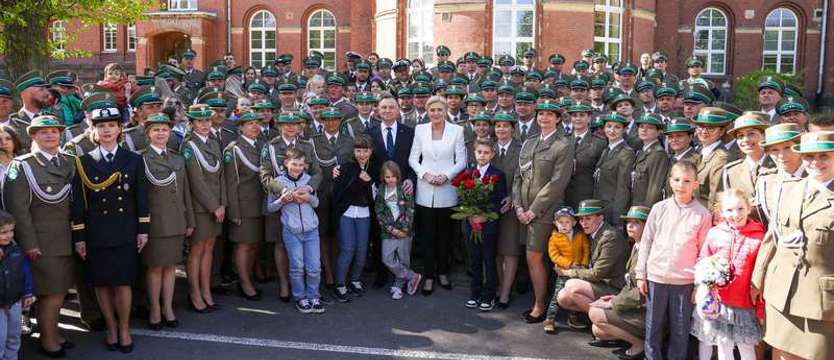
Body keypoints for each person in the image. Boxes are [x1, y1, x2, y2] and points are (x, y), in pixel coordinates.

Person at [71, 106, 149, 354]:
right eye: (101, 126)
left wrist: (142, 230)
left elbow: (141, 198)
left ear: (120, 129)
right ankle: (111, 328)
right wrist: (80, 237)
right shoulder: (83, 162)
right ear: (93, 130)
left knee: (123, 283)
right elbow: (79, 204)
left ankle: (124, 328)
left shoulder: (133, 159)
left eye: (111, 125)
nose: (106, 130)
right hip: (97, 232)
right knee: (102, 283)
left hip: (125, 230)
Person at [751, 131, 834, 360]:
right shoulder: (789, 188)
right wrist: (756, 279)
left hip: (820, 302)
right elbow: (773, 237)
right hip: (781, 292)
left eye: (824, 156)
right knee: (781, 353)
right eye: (808, 157)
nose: (815, 163)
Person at [3, 115, 77, 357]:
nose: (50, 135)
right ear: (32, 136)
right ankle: (47, 339)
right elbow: (17, 210)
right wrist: (29, 243)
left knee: (60, 291)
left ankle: (53, 332)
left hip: (68, 238)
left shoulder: (69, 161)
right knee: (50, 293)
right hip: (43, 242)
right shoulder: (22, 166)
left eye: (54, 131)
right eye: (43, 132)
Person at [635, 161, 712, 360]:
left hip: (684, 282)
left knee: (680, 328)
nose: (681, 185)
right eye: (677, 180)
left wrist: (698, 285)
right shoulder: (659, 209)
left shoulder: (703, 215)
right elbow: (646, 242)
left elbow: (704, 253)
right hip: (656, 278)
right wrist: (641, 274)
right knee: (653, 327)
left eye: (687, 181)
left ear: (695, 184)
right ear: (670, 182)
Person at [512, 100, 574, 323]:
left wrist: (533, 211)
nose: (544, 118)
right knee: (531, 258)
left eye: (550, 114)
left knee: (534, 257)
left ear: (558, 118)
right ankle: (542, 298)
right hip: (524, 209)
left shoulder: (563, 145)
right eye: (541, 114)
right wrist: (518, 205)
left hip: (545, 212)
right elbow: (519, 177)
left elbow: (557, 183)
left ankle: (540, 304)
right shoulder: (529, 143)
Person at [691, 189, 764, 360]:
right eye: (729, 210)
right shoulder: (715, 234)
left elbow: (762, 274)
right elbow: (703, 259)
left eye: (740, 209)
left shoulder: (759, 237)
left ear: (748, 208)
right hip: (720, 303)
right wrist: (705, 280)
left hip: (745, 304)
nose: (736, 214)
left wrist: (760, 308)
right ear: (722, 212)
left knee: (746, 347)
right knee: (724, 345)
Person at [141, 113, 195, 330]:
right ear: (148, 134)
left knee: (171, 267)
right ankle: (155, 309)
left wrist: (189, 220)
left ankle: (168, 308)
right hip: (155, 223)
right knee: (155, 267)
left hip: (176, 220)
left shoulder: (177, 158)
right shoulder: (141, 158)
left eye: (164, 129)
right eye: (156, 130)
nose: (161, 133)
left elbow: (185, 193)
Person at [408, 95, 466, 295]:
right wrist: (425, 175)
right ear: (428, 111)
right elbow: (413, 158)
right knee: (427, 236)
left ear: (445, 111)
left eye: (439, 110)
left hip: (447, 189)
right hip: (425, 189)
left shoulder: (457, 130)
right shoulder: (420, 130)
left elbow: (461, 161)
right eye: (432, 110)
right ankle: (429, 276)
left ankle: (443, 272)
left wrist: (446, 176)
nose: (435, 113)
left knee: (445, 236)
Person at [587, 206, 650, 360]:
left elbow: (643, 291)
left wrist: (615, 302)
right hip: (634, 306)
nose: (630, 226)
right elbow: (630, 284)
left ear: (648, 226)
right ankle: (627, 338)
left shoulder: (649, 250)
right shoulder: (636, 246)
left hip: (646, 312)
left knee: (595, 314)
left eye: (636, 223)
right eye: (628, 222)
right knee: (597, 330)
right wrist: (614, 298)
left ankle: (640, 344)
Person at [554, 199, 628, 330]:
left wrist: (568, 272)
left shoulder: (610, 237)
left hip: (615, 288)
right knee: (563, 298)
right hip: (602, 283)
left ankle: (610, 322)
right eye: (581, 219)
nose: (583, 223)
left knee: (572, 286)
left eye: (588, 218)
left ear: (601, 217)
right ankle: (600, 321)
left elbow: (597, 274)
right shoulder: (593, 233)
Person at [266, 148, 323, 314]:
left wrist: (309, 197)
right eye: (294, 164)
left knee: (314, 267)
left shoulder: (309, 181)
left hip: (312, 230)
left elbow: (316, 203)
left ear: (305, 165)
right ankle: (300, 297)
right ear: (286, 163)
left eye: (300, 164)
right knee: (297, 266)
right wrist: (282, 200)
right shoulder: (278, 182)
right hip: (291, 231)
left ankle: (314, 295)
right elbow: (270, 207)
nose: (297, 168)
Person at [182, 105, 226, 312]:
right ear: (191, 124)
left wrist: (223, 204)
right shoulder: (189, 147)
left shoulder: (214, 143)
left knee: (209, 249)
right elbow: (196, 181)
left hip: (217, 206)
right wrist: (214, 206)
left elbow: (221, 176)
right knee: (197, 251)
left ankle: (206, 290)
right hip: (201, 207)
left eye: (207, 120)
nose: (205, 125)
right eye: (200, 121)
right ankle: (195, 293)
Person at [223, 111, 264, 301]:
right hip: (244, 206)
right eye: (249, 124)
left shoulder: (261, 145)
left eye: (257, 123)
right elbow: (231, 183)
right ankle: (244, 282)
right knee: (243, 245)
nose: (255, 126)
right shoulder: (234, 149)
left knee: (254, 245)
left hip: (260, 204)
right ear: (240, 127)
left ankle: (248, 278)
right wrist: (234, 210)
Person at [463, 139, 507, 312]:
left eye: (486, 152)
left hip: (488, 225)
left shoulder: (498, 174)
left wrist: (484, 216)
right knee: (473, 259)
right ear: (474, 153)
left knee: (489, 259)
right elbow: (462, 197)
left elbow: (500, 200)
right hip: (470, 223)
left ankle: (489, 295)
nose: (482, 155)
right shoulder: (468, 173)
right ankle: (475, 293)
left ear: (492, 155)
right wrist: (469, 214)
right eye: (479, 152)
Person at [330, 136, 376, 302]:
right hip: (347, 213)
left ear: (371, 151)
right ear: (353, 152)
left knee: (362, 249)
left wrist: (369, 182)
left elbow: (376, 197)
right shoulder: (346, 167)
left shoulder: (375, 169)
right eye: (358, 150)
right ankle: (340, 284)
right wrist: (335, 173)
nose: (362, 154)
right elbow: (337, 192)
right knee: (348, 249)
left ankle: (355, 280)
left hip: (364, 214)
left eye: (365, 150)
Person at [375, 161, 421, 300]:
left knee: (403, 260)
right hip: (388, 232)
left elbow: (410, 209)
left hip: (404, 232)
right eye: (387, 177)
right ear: (383, 177)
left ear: (398, 176)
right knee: (387, 258)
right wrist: (391, 229)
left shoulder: (404, 189)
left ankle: (398, 286)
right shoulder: (381, 190)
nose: (390, 180)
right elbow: (379, 212)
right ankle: (412, 276)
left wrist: (405, 230)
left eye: (393, 177)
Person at [490, 111, 522, 308]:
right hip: (491, 206)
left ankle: (506, 292)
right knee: (495, 251)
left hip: (511, 205)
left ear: (512, 128)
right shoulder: (489, 148)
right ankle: (499, 285)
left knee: (509, 250)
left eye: (505, 125)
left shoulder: (520, 149)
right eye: (498, 126)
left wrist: (512, 197)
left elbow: (522, 177)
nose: (501, 129)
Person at [720, 112, 774, 222]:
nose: (745, 140)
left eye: (751, 134)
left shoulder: (778, 167)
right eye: (740, 136)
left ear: (764, 136)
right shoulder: (731, 172)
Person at [543, 207, 589, 333]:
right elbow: (554, 255)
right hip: (563, 272)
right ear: (555, 223)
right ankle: (550, 319)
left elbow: (586, 249)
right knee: (557, 296)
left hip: (579, 271)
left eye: (567, 222)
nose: (564, 225)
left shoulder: (580, 235)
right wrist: (569, 264)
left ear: (574, 223)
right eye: (560, 222)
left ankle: (573, 318)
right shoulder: (554, 238)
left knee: (576, 296)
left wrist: (584, 264)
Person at [0, 211, 33, 360]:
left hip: (15, 302)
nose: (9, 235)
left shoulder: (16, 250)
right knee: (0, 338)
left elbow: (25, 273)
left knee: (14, 335)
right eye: (3, 232)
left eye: (11, 231)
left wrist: (27, 293)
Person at [593, 112, 635, 226]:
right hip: (601, 207)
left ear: (624, 129)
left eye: (617, 127)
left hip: (612, 211)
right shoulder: (606, 150)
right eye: (609, 126)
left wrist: (618, 219)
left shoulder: (626, 153)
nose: (612, 131)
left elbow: (623, 189)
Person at [565, 102, 607, 208]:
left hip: (587, 197)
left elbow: (601, 175)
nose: (578, 119)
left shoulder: (599, 143)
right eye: (574, 115)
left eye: (582, 115)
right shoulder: (563, 140)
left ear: (589, 118)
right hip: (563, 196)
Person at [694, 107, 732, 210]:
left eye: (711, 128)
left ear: (722, 131)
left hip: (706, 216)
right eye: (700, 127)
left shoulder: (721, 158)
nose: (704, 131)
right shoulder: (698, 151)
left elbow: (715, 197)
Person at [630, 113, 670, 207]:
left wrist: (646, 213)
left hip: (645, 208)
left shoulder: (658, 154)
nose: (644, 130)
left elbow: (654, 189)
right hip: (636, 204)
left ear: (659, 131)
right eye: (641, 126)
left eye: (650, 127)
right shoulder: (641, 151)